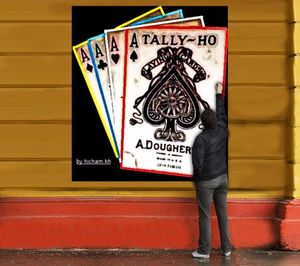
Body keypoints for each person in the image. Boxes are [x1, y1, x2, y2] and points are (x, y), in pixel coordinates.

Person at [191, 82, 231, 259]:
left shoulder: (201, 139)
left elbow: (197, 164)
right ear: (215, 121)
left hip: (206, 182)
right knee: (223, 214)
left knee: (205, 216)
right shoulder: (222, 131)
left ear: (202, 124)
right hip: (223, 178)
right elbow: (222, 113)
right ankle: (227, 249)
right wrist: (219, 94)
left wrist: (197, 180)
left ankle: (204, 251)